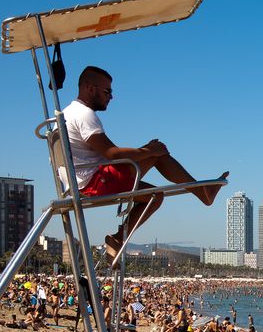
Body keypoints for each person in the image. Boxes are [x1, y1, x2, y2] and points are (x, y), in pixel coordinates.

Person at [61, 66, 227, 258]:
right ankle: (203, 193)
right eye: (107, 91)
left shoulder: (67, 113)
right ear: (90, 88)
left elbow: (110, 155)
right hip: (95, 182)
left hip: (85, 181)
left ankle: (118, 238)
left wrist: (145, 150)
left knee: (155, 196)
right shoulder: (84, 115)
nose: (111, 97)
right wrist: (148, 150)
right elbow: (111, 153)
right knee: (157, 153)